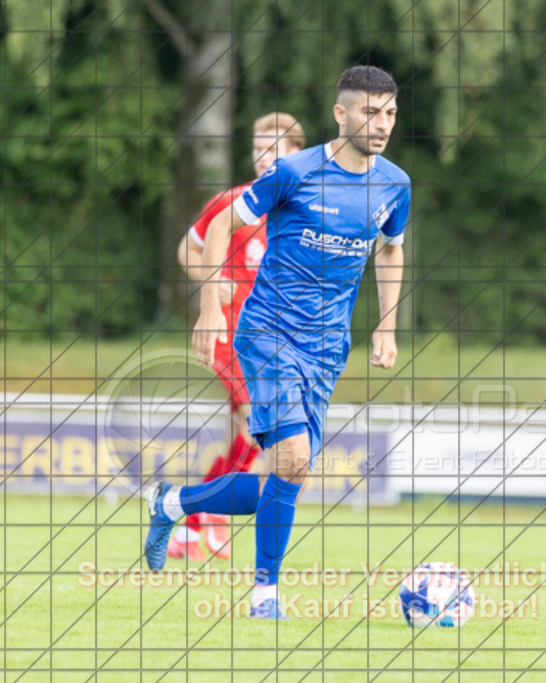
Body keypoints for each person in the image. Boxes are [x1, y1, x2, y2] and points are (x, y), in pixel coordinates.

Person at [144, 65, 410, 620]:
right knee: (293, 455)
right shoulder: (294, 171)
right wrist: (212, 305)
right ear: (342, 113)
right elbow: (222, 225)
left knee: (286, 469)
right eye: (369, 111)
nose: (381, 123)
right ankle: (265, 593)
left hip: (326, 348)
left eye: (389, 113)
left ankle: (172, 503)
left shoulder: (394, 184)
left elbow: (390, 249)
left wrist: (386, 324)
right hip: (267, 331)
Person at [170, 112, 306, 563]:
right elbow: (187, 249)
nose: (261, 158)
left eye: (272, 149)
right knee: (257, 422)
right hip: (231, 333)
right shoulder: (235, 203)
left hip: (275, 342)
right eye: (256, 148)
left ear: (295, 155)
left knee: (247, 436)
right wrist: (213, 283)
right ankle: (201, 515)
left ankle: (194, 517)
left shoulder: (302, 209)